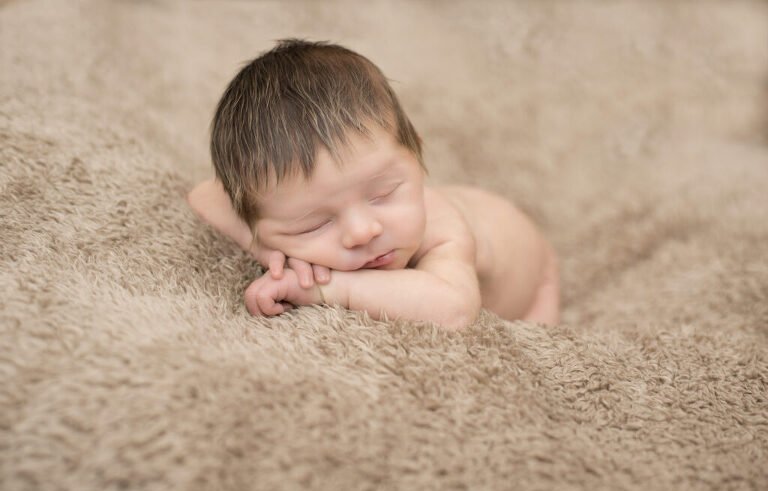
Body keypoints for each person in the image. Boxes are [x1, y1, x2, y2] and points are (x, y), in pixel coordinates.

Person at [187, 39, 559, 330]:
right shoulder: (280, 221)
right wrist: (267, 248)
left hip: (536, 275)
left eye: (383, 195)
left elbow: (455, 310)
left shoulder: (442, 229)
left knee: (533, 346)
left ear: (417, 153)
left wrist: (325, 289)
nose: (362, 231)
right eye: (314, 224)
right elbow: (204, 196)